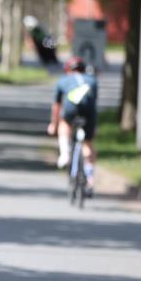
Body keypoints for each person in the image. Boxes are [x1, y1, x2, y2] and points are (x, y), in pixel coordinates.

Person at [48, 56, 98, 195]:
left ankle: (65, 154)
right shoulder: (92, 80)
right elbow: (94, 103)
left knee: (64, 124)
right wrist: (94, 127)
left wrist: (54, 124)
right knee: (88, 145)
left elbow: (57, 106)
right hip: (89, 112)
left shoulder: (63, 80)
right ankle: (90, 179)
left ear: (68, 70)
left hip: (71, 109)